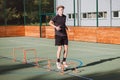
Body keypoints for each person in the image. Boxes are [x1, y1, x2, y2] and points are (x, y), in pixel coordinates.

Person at [49, 5, 70, 69]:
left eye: (62, 9)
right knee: (60, 48)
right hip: (58, 34)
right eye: (60, 9)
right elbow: (50, 23)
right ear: (58, 10)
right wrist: (55, 27)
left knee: (66, 49)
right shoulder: (56, 17)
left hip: (64, 34)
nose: (62, 10)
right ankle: (58, 62)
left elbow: (64, 24)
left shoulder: (64, 17)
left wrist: (67, 28)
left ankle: (64, 61)